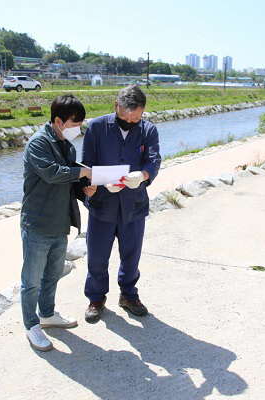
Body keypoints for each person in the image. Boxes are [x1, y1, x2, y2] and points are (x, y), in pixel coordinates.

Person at [20, 94, 95, 351]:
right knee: (31, 280)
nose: (78, 129)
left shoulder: (67, 146)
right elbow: (52, 174)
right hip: (38, 223)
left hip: (60, 221)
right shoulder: (38, 143)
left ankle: (47, 313)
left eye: (80, 124)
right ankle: (32, 325)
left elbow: (69, 183)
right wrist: (83, 171)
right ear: (58, 121)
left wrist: (84, 189)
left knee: (52, 274)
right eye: (75, 123)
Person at [81, 85, 161, 323]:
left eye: (136, 118)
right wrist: (101, 182)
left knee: (131, 255)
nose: (130, 121)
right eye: (125, 116)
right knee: (96, 256)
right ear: (116, 106)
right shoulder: (97, 127)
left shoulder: (148, 130)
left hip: (133, 205)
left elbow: (154, 159)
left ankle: (128, 295)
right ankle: (96, 298)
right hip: (102, 203)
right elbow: (87, 162)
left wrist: (144, 176)